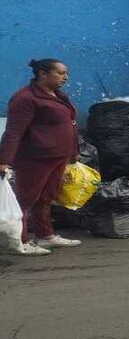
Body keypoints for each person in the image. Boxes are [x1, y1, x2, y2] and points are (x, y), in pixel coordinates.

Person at [0, 59, 83, 256]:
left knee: (46, 198)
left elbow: (68, 123)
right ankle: (19, 241)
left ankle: (45, 236)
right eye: (61, 73)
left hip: (57, 156)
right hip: (34, 158)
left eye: (66, 73)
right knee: (26, 199)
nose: (66, 78)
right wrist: (4, 160)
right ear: (43, 74)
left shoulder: (58, 96)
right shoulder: (25, 98)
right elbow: (14, 131)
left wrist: (74, 150)